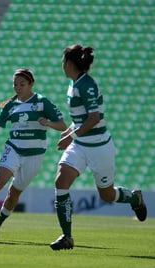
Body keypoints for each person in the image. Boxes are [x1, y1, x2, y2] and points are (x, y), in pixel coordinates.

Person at [49, 44, 147, 250]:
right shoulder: (74, 83)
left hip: (99, 147)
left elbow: (94, 118)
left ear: (69, 63)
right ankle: (67, 237)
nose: (62, 65)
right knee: (61, 181)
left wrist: (71, 135)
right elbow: (80, 119)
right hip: (80, 145)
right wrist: (69, 134)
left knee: (107, 195)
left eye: (63, 61)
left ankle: (134, 198)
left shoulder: (87, 84)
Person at [0, 68, 67, 239]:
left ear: (31, 84)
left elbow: (62, 125)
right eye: (15, 84)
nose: (18, 87)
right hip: (13, 148)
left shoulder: (42, 102)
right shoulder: (11, 105)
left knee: (14, 193)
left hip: (34, 154)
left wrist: (47, 123)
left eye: (22, 84)